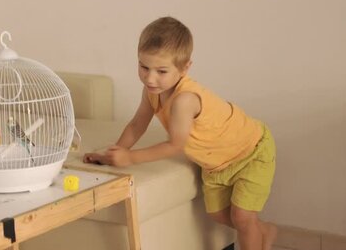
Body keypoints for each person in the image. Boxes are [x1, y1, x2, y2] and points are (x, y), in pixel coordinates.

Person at [83, 17, 277, 250]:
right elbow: (137, 125)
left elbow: (175, 144)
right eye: (144, 67)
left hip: (250, 152)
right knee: (218, 215)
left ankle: (257, 231)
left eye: (161, 71)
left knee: (243, 218)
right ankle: (264, 230)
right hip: (216, 165)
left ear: (184, 68)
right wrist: (116, 151)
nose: (150, 78)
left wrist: (130, 158)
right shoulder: (152, 91)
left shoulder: (185, 99)